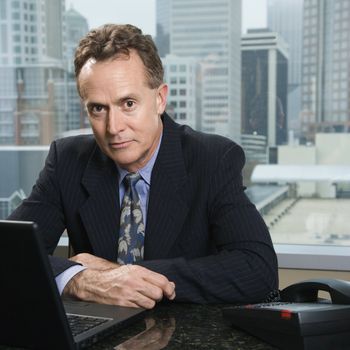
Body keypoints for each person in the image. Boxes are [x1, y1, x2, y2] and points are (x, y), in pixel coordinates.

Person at [8, 24, 278, 309]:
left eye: (128, 103)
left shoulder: (212, 159)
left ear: (160, 99)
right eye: (98, 108)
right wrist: (80, 280)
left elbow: (257, 271)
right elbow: (8, 252)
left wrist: (120, 275)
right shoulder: (68, 161)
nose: (114, 127)